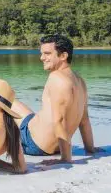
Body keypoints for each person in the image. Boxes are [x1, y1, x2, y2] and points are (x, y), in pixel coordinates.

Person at [11, 34, 101, 165]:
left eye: (47, 54)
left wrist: (65, 159)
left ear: (63, 56)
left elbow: (59, 121)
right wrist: (90, 149)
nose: (42, 58)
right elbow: (84, 119)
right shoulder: (79, 80)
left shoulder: (56, 78)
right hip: (55, 146)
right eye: (42, 53)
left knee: (2, 99)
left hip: (34, 144)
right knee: (15, 104)